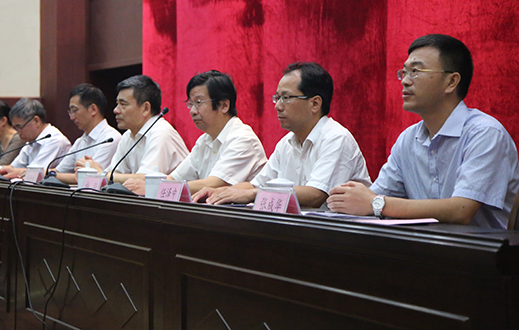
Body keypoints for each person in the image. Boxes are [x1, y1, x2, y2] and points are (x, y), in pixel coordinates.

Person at [327, 34, 519, 228]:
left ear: (451, 82)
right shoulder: (408, 139)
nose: (405, 81)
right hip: (423, 244)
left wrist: (376, 204)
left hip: (482, 246)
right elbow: (375, 196)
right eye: (404, 72)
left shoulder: (485, 133)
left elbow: (461, 210)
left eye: (415, 71)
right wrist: (351, 200)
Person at [193, 62, 371, 207]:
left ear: (315, 104)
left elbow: (316, 194)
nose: (278, 106)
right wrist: (220, 192)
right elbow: (256, 184)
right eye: (277, 98)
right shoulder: (286, 143)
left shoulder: (336, 138)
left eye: (286, 98)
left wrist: (252, 194)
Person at [123, 70, 267, 195]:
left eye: (198, 103)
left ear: (224, 105)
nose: (192, 111)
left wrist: (154, 188)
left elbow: (214, 184)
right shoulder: (204, 140)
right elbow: (175, 178)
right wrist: (149, 185)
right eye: (190, 104)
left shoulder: (242, 138)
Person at [77, 75, 189, 184]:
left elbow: (147, 180)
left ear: (146, 108)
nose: (116, 110)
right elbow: (115, 174)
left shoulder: (161, 133)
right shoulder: (128, 135)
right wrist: (96, 172)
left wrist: (101, 174)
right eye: (117, 104)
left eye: (123, 104)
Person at [52, 84, 121, 184]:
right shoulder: (80, 141)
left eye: (75, 110)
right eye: (70, 112)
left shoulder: (111, 139)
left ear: (93, 109)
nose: (72, 117)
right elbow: (59, 171)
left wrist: (50, 175)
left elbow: (91, 177)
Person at [0, 98, 71, 179]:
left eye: (19, 127)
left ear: (36, 121)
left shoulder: (55, 140)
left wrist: (14, 172)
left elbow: (35, 174)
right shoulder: (31, 141)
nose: (17, 132)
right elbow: (13, 167)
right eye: (15, 128)